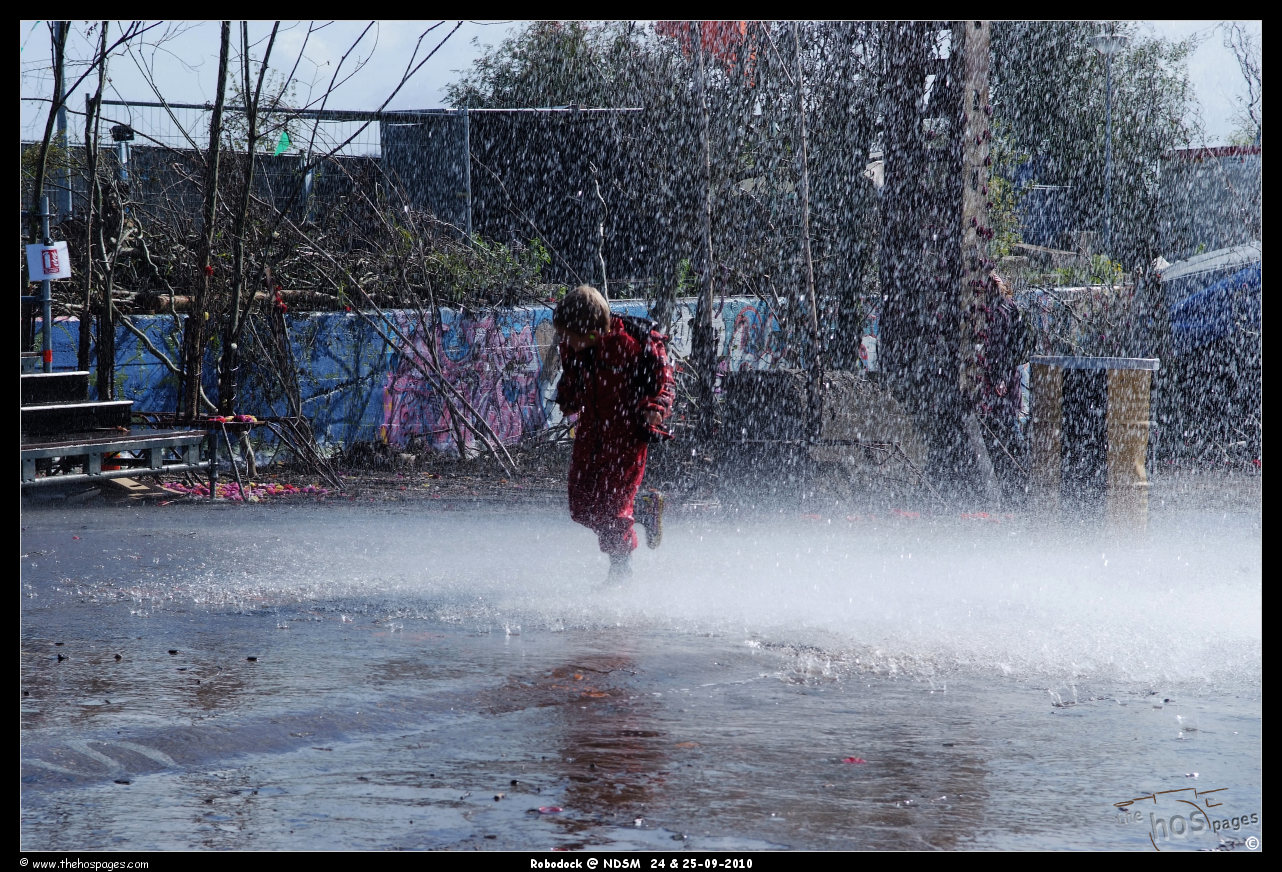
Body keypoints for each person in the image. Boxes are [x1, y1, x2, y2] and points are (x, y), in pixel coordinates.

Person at [553, 285, 673, 582]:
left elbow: (664, 381)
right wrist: (567, 398)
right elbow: (572, 375)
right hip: (591, 433)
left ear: (593, 334)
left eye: (569, 336)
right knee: (581, 506)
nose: (564, 342)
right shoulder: (574, 344)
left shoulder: (633, 343)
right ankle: (642, 507)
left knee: (613, 511)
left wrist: (656, 407)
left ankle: (620, 573)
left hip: (627, 437)